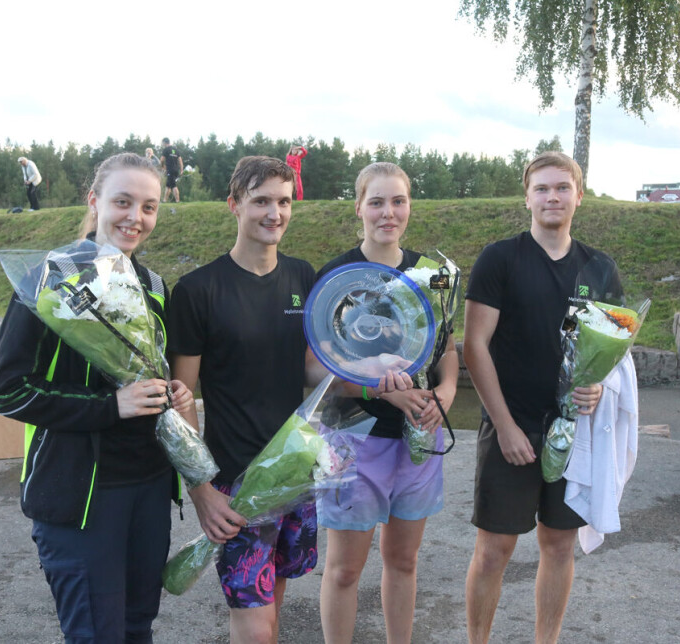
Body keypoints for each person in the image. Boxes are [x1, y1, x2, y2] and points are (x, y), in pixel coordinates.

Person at [168, 156, 408, 644]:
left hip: (297, 474)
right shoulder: (198, 291)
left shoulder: (303, 278)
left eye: (283, 201)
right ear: (234, 205)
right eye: (261, 201)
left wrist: (368, 375)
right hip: (237, 482)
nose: (273, 213)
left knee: (272, 609)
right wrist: (202, 490)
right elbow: (181, 402)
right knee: (255, 627)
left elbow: (309, 369)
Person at [0, 152, 193, 643]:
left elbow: (149, 371)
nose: (135, 217)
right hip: (81, 495)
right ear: (95, 201)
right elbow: (10, 391)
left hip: (147, 487)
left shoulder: (154, 286)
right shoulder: (49, 278)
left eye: (148, 207)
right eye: (123, 202)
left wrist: (173, 394)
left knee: (136, 626)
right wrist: (112, 406)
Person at [462, 151, 622, 644]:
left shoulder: (600, 268)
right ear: (527, 196)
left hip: (573, 431)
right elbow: (474, 346)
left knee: (559, 545)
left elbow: (609, 348)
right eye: (542, 188)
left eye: (562, 187)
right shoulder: (500, 258)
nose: (552, 197)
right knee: (494, 551)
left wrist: (598, 383)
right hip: (513, 427)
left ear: (579, 195)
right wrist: (506, 426)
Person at [316, 162, 459, 644]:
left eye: (397, 201)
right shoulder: (335, 277)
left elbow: (447, 351)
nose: (388, 212)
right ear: (358, 207)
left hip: (417, 437)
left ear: (409, 206)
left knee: (403, 560)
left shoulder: (430, 275)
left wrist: (446, 394)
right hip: (353, 438)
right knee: (343, 570)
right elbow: (318, 375)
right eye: (376, 201)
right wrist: (386, 392)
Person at [159, 138, 183, 202]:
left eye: (162, 143)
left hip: (170, 169)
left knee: (173, 185)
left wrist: (162, 167)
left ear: (164, 142)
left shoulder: (166, 150)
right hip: (176, 170)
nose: (162, 144)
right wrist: (181, 170)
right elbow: (180, 161)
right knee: (168, 185)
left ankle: (178, 201)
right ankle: (164, 200)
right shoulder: (176, 149)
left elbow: (161, 160)